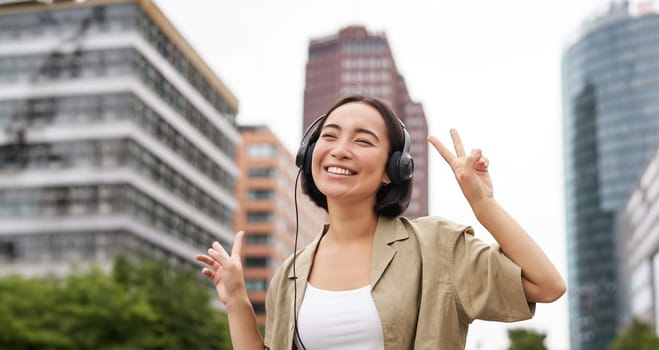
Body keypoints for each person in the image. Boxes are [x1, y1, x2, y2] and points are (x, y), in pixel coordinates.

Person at [196, 95, 565, 349]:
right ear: (310, 153)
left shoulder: (436, 248)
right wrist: (237, 302)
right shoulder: (289, 274)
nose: (340, 149)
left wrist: (483, 205)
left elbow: (546, 285)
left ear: (393, 170)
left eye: (363, 140)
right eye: (330, 135)